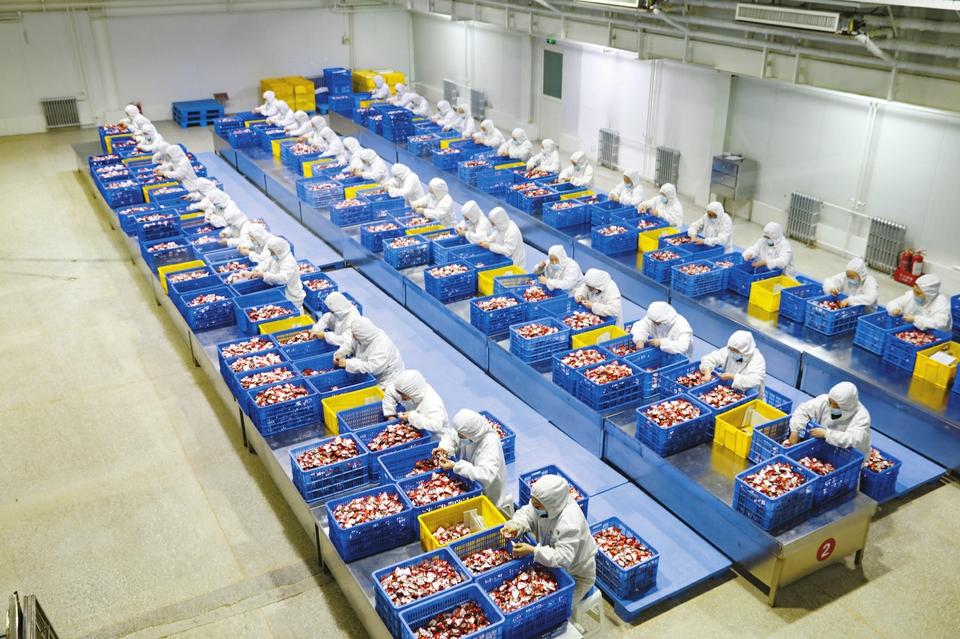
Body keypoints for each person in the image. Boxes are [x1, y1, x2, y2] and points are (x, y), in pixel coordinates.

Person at [503, 474, 597, 603]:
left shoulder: (570, 522)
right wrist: (516, 525)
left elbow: (563, 558)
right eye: (533, 501)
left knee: (559, 608)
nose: (534, 506)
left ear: (552, 505)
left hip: (576, 575)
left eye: (537, 505)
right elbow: (528, 514)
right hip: (550, 565)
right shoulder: (543, 502)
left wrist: (533, 550)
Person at [436, 409, 513, 514]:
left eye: (462, 436)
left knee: (488, 510)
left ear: (473, 434)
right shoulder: (467, 430)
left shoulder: (490, 443)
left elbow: (486, 474)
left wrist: (456, 466)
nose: (459, 437)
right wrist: (443, 448)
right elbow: (452, 436)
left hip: (489, 489)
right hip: (470, 480)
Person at [788, 382, 871, 456]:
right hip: (823, 447)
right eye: (830, 402)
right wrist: (795, 430)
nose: (830, 406)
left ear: (845, 407)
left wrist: (827, 434)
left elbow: (852, 439)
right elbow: (803, 410)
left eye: (835, 405)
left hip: (847, 455)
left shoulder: (861, 417)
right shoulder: (826, 401)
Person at [334, 317, 405, 388]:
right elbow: (351, 344)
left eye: (355, 335)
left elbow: (372, 368)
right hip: (371, 372)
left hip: (386, 379)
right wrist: (341, 353)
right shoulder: (366, 335)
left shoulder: (382, 347)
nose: (353, 337)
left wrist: (348, 363)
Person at [699, 330, 766, 397]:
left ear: (746, 351)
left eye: (736, 351)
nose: (733, 353)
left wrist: (731, 376)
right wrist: (707, 372)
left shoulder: (757, 360)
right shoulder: (729, 351)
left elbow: (754, 380)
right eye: (731, 349)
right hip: (730, 391)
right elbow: (709, 358)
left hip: (752, 398)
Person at [382, 370, 449, 434]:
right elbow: (390, 391)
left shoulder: (432, 403)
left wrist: (411, 417)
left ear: (414, 393)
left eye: (404, 396)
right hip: (414, 426)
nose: (402, 398)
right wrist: (390, 415)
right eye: (400, 394)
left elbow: (435, 425)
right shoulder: (404, 389)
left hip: (434, 435)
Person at [249, 237, 306, 314]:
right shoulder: (276, 256)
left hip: (292, 296)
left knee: (293, 314)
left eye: (272, 252)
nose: (271, 254)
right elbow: (266, 262)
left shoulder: (289, 262)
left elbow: (282, 279)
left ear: (279, 251)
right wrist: (258, 270)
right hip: (281, 291)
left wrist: (263, 275)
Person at [886, 273, 952, 331]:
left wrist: (915, 319)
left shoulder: (941, 303)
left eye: (918, 293)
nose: (915, 295)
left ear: (928, 295)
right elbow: (894, 303)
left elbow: (940, 324)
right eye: (914, 290)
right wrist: (895, 308)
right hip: (910, 329)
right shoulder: (911, 295)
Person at [629, 301, 693, 357]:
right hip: (659, 353)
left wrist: (662, 343)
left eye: (657, 323)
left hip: (675, 357)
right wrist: (639, 339)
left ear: (664, 321)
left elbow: (682, 347)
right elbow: (640, 325)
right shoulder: (655, 318)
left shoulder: (682, 326)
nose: (654, 323)